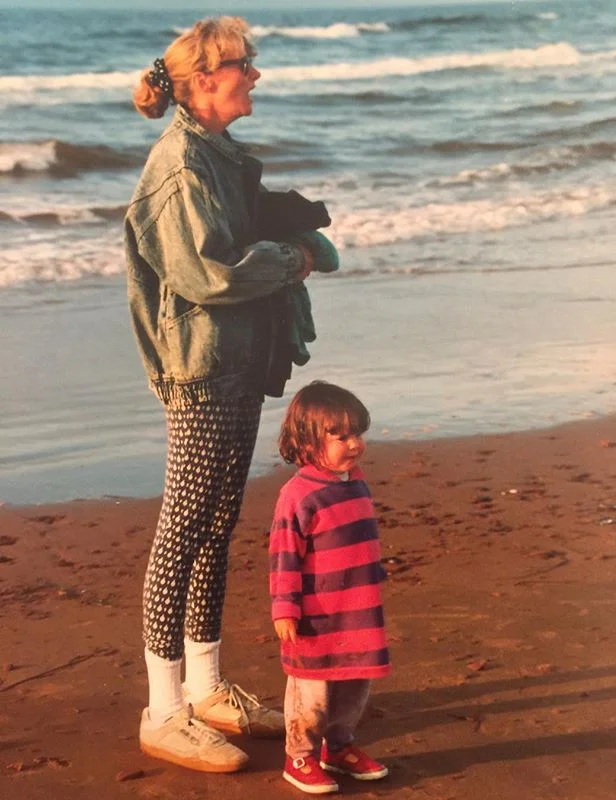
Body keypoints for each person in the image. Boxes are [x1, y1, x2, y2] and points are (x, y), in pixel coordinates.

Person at [124, 17, 337, 773]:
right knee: (183, 526)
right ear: (205, 77)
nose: (256, 75)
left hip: (241, 357)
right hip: (202, 366)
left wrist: (292, 224)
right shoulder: (180, 163)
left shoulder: (220, 155)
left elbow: (237, 234)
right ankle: (162, 710)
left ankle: (208, 687)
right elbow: (206, 273)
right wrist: (294, 258)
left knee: (217, 521)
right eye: (246, 64)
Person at [269, 381, 391, 794]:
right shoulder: (298, 496)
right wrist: (285, 609)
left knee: (355, 684)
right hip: (316, 619)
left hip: (358, 610)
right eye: (340, 436)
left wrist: (374, 576)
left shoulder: (355, 483)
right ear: (306, 442)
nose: (354, 444)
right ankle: (299, 754)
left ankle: (339, 747)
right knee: (314, 693)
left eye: (358, 433)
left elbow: (360, 543)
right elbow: (284, 555)